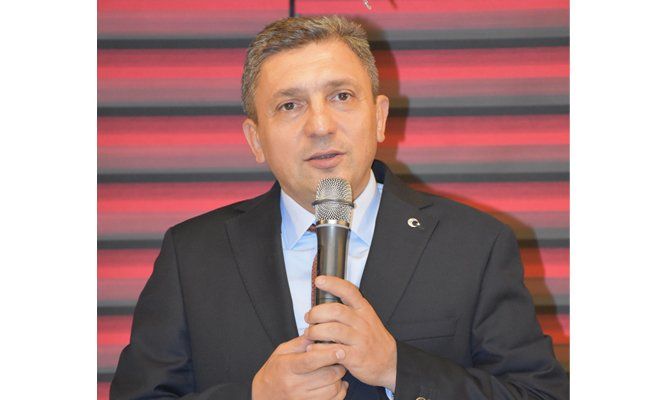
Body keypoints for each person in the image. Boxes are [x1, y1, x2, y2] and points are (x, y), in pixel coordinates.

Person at [110, 15, 569, 400]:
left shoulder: (473, 244)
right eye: (290, 105)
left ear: (380, 116)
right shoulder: (192, 254)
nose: (320, 125)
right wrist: (254, 396)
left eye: (341, 96)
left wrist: (397, 368)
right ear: (255, 139)